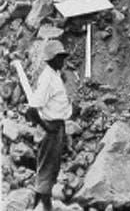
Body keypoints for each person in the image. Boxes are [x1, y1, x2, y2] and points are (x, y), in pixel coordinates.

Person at [28, 40, 72, 211]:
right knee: (48, 167)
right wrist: (47, 127)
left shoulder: (55, 75)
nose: (62, 60)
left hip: (57, 126)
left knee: (51, 167)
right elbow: (31, 110)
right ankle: (46, 207)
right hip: (51, 127)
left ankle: (36, 203)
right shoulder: (47, 79)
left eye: (62, 57)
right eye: (59, 57)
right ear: (51, 59)